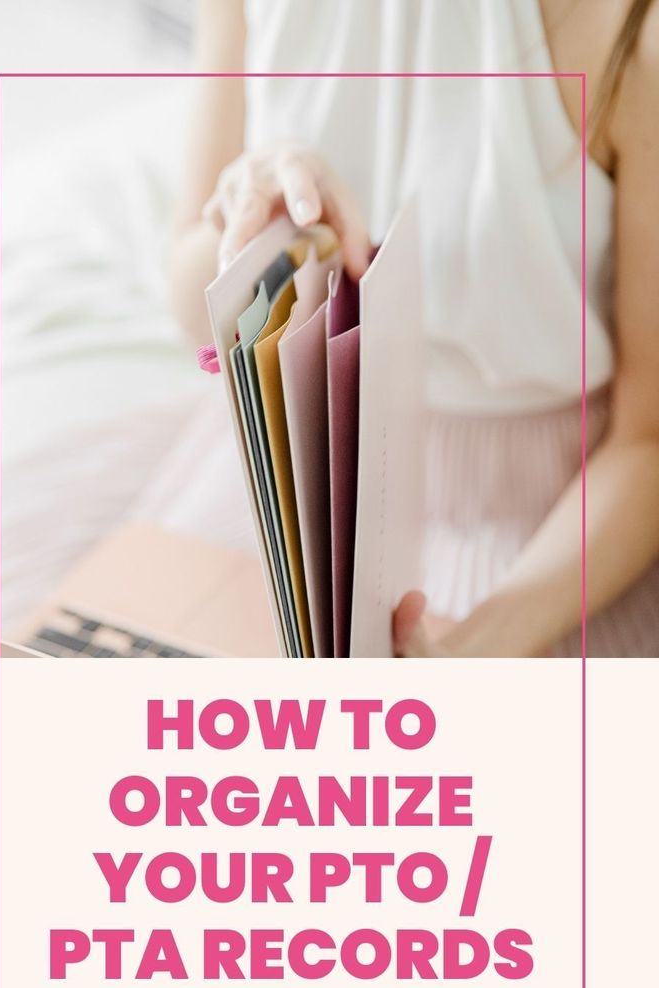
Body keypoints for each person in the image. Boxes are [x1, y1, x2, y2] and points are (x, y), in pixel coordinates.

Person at [169, 0, 659, 658]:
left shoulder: (629, 31)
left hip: (547, 537)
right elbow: (188, 308)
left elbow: (648, 437)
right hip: (287, 480)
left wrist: (468, 656)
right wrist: (250, 227)